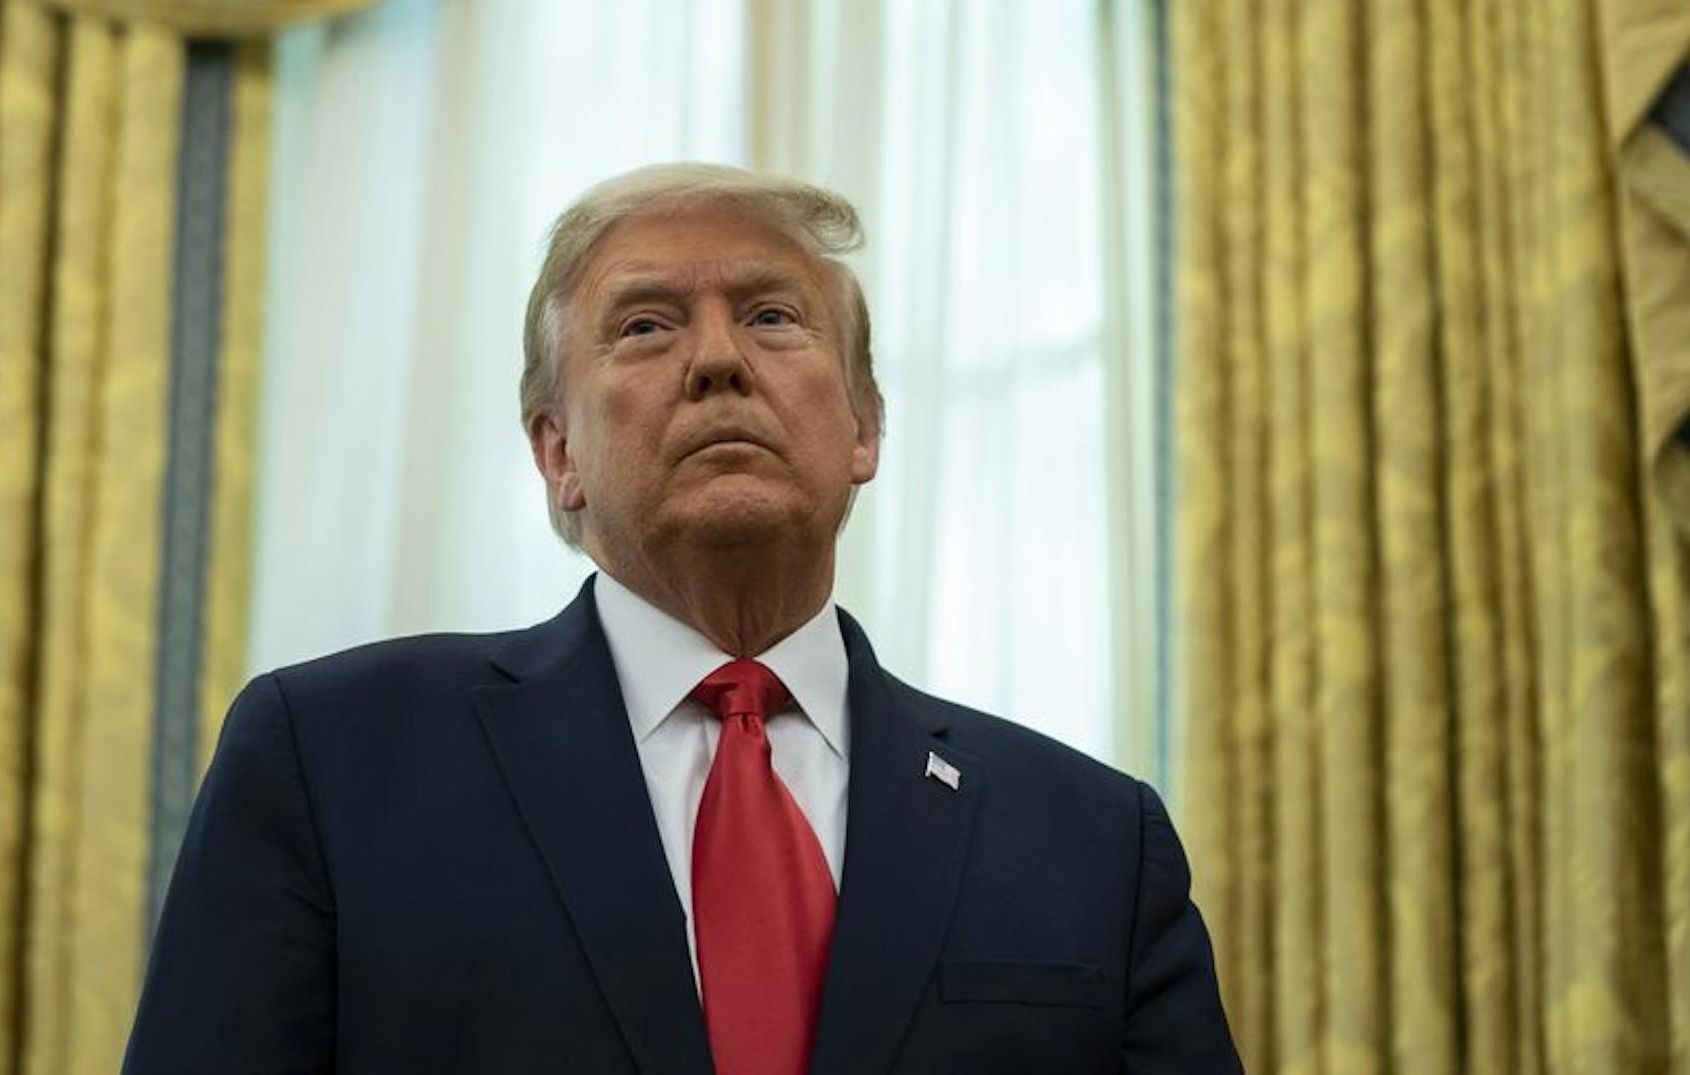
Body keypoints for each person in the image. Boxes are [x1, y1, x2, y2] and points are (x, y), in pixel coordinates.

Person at [123, 163, 1241, 1073]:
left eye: (771, 316)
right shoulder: (333, 761)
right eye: (649, 327)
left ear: (864, 428)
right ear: (557, 451)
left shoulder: (1092, 841)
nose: (717, 360)